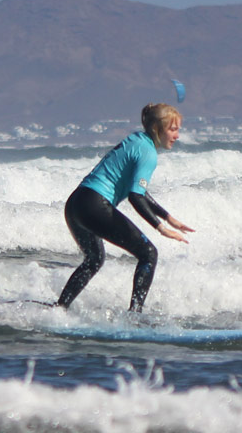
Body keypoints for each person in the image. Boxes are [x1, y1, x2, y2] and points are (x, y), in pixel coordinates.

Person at [55, 102, 194, 312]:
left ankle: (59, 308)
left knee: (94, 259)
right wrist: (161, 228)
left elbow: (139, 190)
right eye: (172, 129)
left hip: (77, 203)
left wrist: (168, 217)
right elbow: (135, 197)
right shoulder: (148, 153)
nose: (177, 136)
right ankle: (135, 316)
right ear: (158, 129)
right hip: (95, 205)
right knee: (149, 253)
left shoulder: (136, 140)